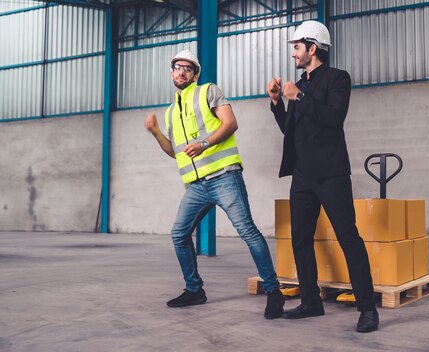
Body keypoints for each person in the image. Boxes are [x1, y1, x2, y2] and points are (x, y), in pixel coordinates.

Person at [145, 49, 284, 319]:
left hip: (224, 175)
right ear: (172, 73)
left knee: (248, 231)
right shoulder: (171, 111)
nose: (181, 72)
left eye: (187, 68)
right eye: (177, 68)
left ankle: (273, 292)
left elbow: (231, 123)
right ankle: (194, 289)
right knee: (179, 234)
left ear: (195, 74)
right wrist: (155, 132)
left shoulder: (208, 91)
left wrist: (205, 143)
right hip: (196, 186)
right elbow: (175, 151)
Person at [266, 21, 379, 332]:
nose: (294, 54)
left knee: (348, 238)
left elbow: (334, 117)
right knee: (301, 239)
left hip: (331, 173)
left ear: (312, 48)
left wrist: (298, 97)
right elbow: (290, 130)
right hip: (302, 176)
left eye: (297, 47)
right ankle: (311, 301)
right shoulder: (299, 85)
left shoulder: (337, 79)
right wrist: (278, 102)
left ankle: (367, 309)